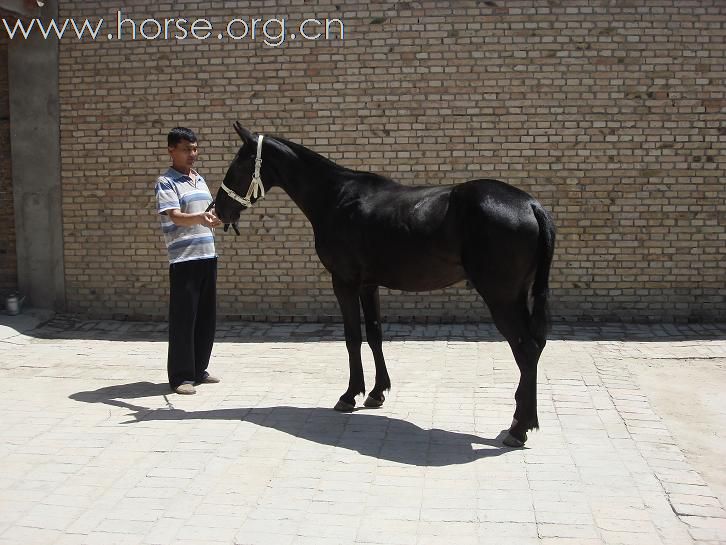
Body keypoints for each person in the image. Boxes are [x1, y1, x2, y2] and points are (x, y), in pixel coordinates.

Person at [154, 127, 223, 395]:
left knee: (206, 317)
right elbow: (174, 215)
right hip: (184, 260)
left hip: (208, 255)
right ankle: (181, 376)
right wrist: (199, 219)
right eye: (186, 149)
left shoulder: (199, 179)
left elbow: (205, 213)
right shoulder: (166, 182)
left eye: (194, 148)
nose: (192, 154)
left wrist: (215, 218)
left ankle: (198, 369)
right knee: (185, 319)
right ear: (171, 150)